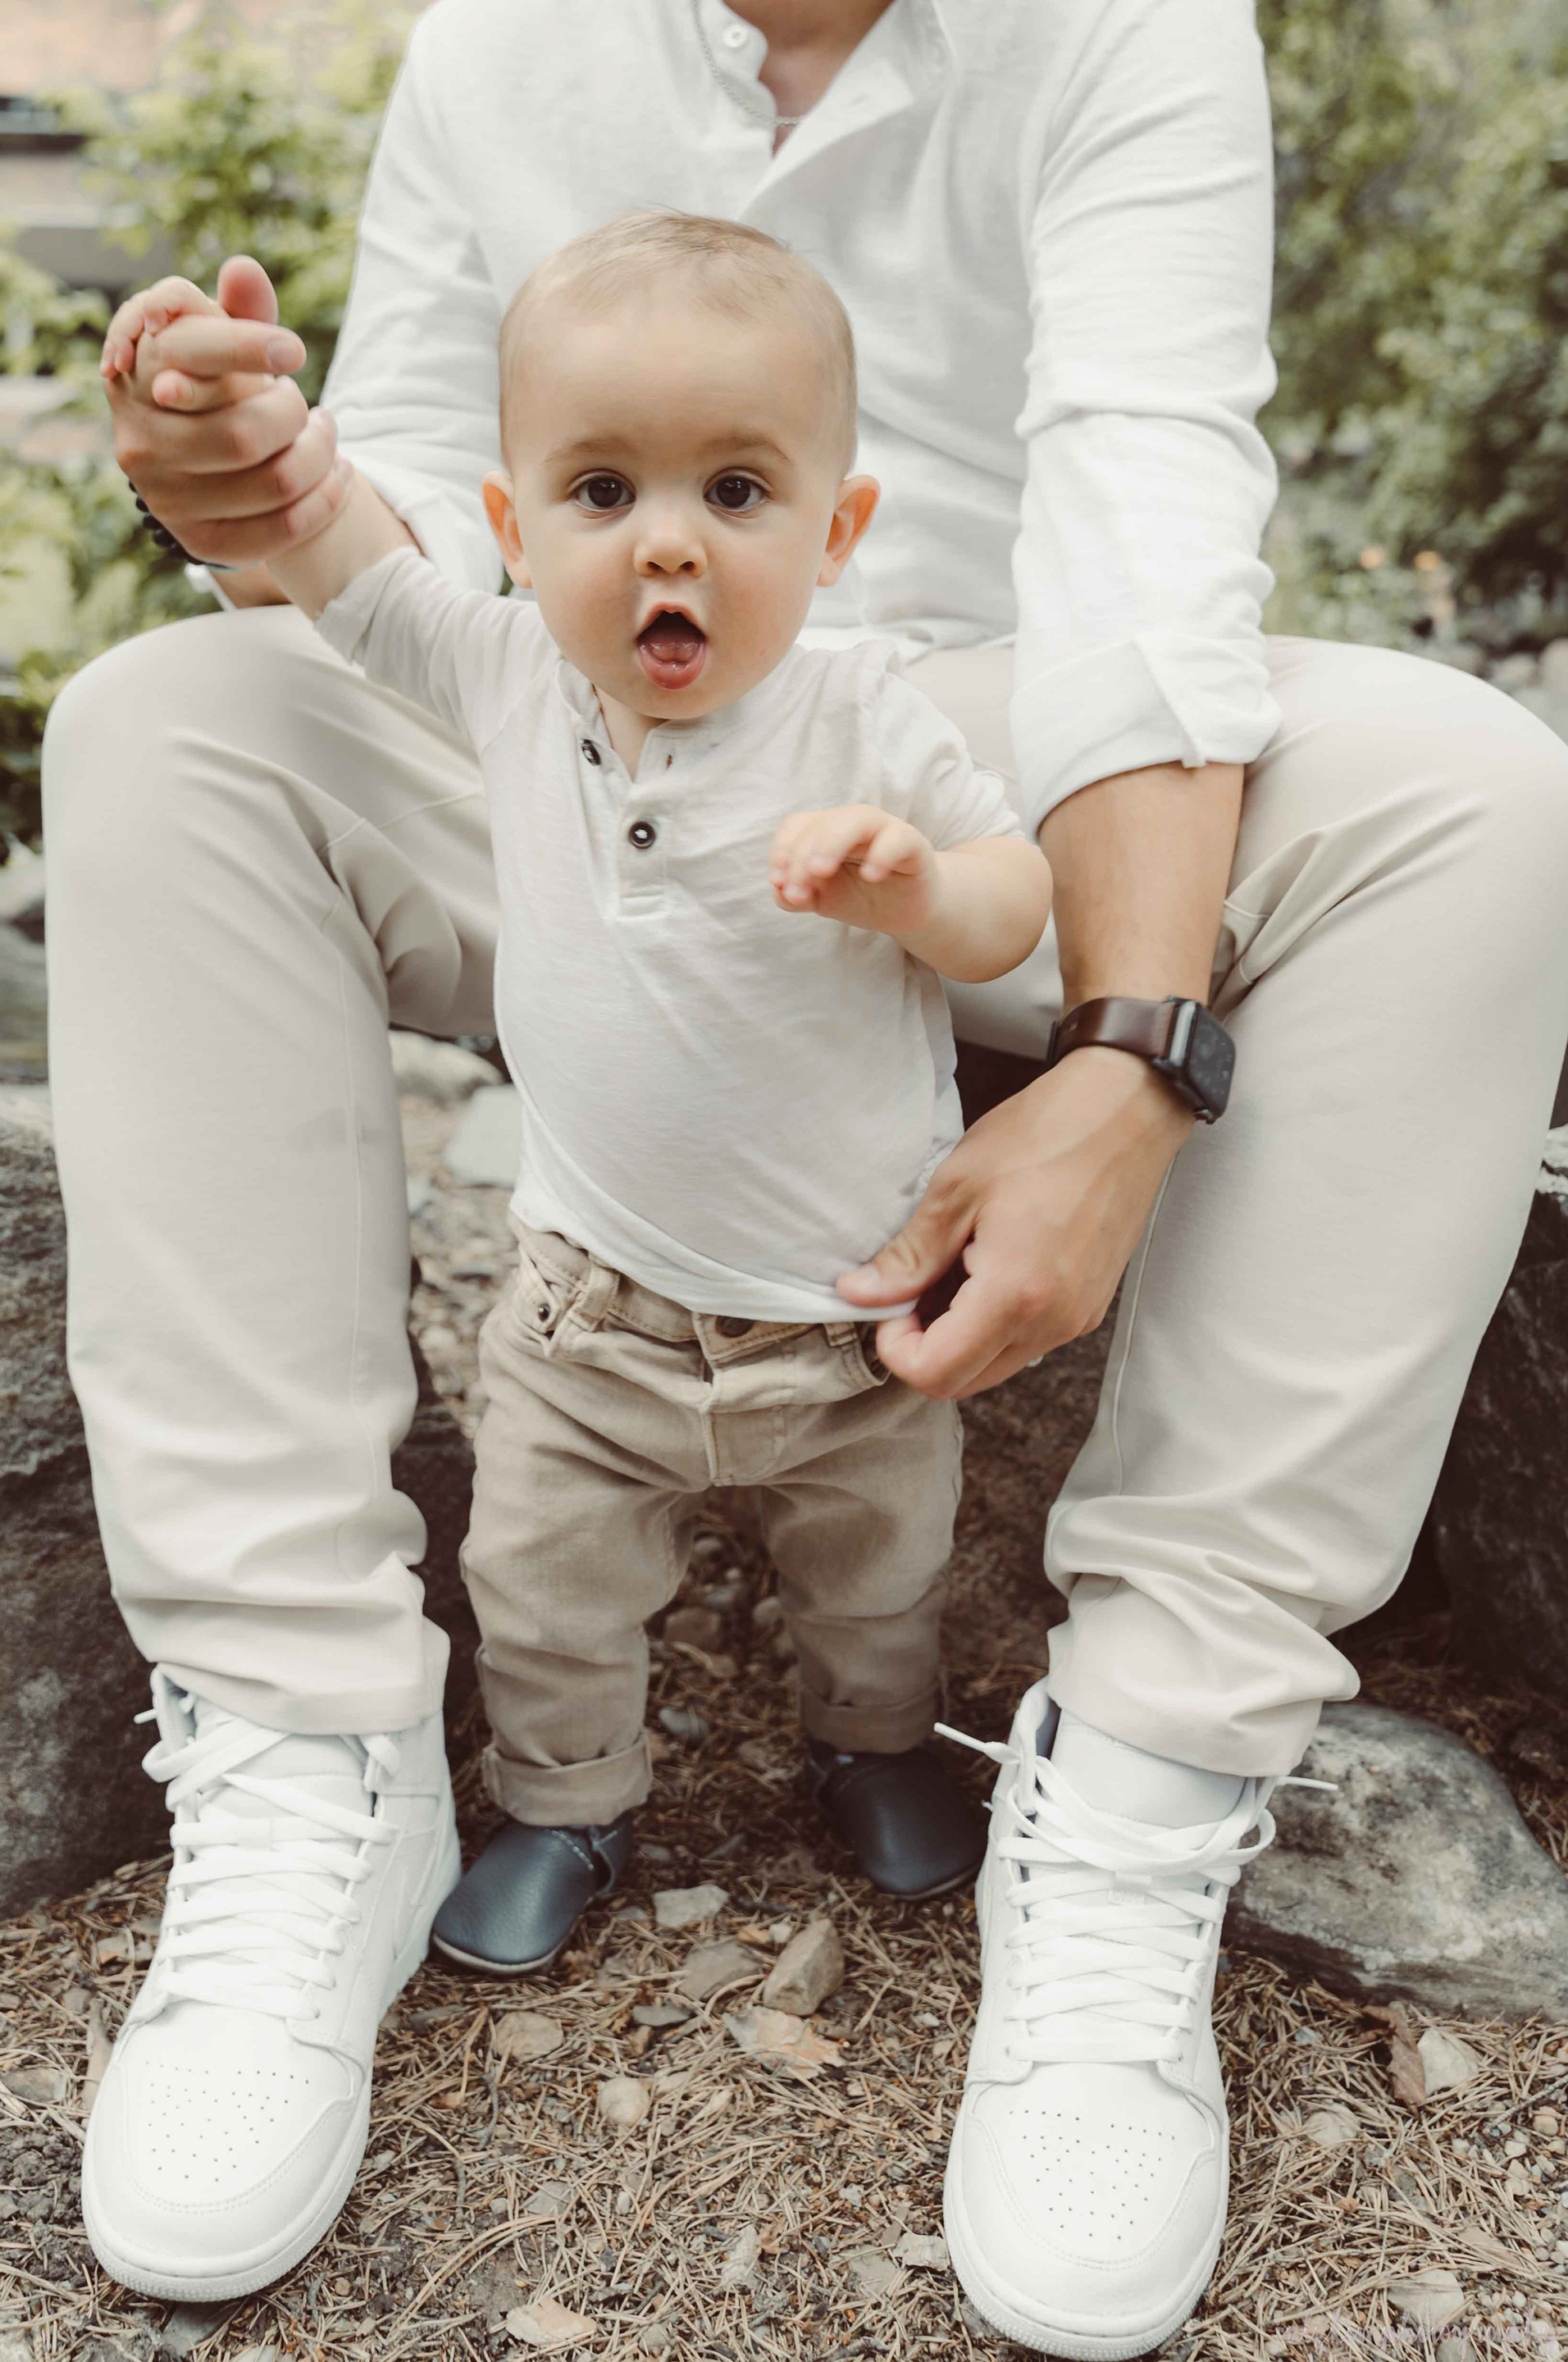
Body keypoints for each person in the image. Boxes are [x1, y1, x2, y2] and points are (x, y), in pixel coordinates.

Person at [44, 0, 1568, 2348]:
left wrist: (1128, 1055)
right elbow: (397, 556)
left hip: (991, 763)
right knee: (163, 721)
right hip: (575, 762)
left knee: (1478, 796)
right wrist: (241, 472)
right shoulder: (496, 49)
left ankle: (1146, 1779)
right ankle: (304, 1744)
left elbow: (1148, 536)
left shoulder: (1124, 28)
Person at [262, 209, 1052, 1973]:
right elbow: (352, 575)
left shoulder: (863, 715)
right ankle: (568, 1803)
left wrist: (919, 888)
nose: (668, 544)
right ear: (513, 528)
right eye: (603, 491)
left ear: (837, 530)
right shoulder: (509, 675)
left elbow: (1018, 900)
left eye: (738, 492)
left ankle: (873, 1745)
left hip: (845, 1328)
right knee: (544, 1582)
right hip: (590, 1316)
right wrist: (262, 440)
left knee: (879, 1569)